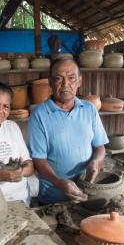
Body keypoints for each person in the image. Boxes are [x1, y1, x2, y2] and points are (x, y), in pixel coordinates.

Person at [28, 58, 109, 205]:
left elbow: (100, 147)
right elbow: (39, 160)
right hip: (53, 197)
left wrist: (96, 162)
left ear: (79, 81)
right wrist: (60, 182)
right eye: (59, 79)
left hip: (87, 191)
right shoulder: (39, 114)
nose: (66, 84)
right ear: (50, 82)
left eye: (71, 78)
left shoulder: (89, 109)